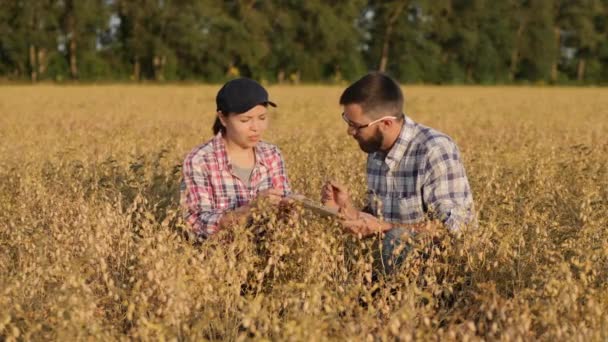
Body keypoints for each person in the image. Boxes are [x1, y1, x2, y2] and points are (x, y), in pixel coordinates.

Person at [322, 72, 475, 274]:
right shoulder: (376, 150)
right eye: (347, 121)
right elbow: (378, 219)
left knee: (395, 240)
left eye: (356, 126)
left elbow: (455, 228)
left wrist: (385, 228)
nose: (349, 132)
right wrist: (347, 210)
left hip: (440, 269)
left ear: (386, 123)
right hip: (393, 264)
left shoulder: (435, 149)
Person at [181, 78, 291, 239]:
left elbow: (285, 220)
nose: (256, 128)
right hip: (217, 258)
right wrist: (252, 208)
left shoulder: (272, 154)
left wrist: (292, 207)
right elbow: (198, 225)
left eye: (262, 118)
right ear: (223, 118)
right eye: (245, 120)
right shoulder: (200, 160)